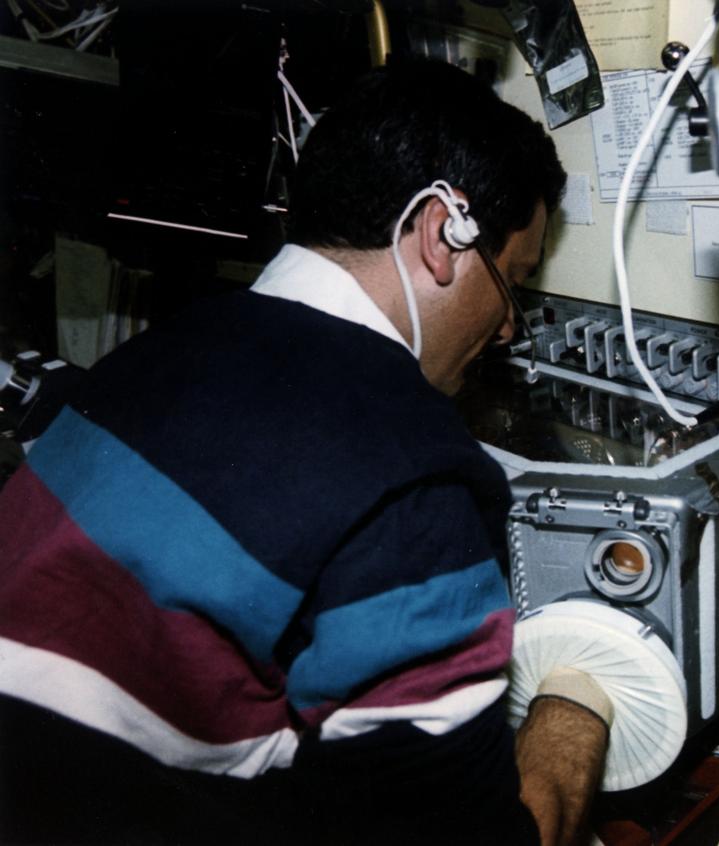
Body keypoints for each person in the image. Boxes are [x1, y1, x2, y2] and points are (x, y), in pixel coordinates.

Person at [0, 58, 612, 845]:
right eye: (512, 280)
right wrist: (577, 710)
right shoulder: (413, 479)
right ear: (442, 235)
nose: (504, 327)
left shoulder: (153, 354)